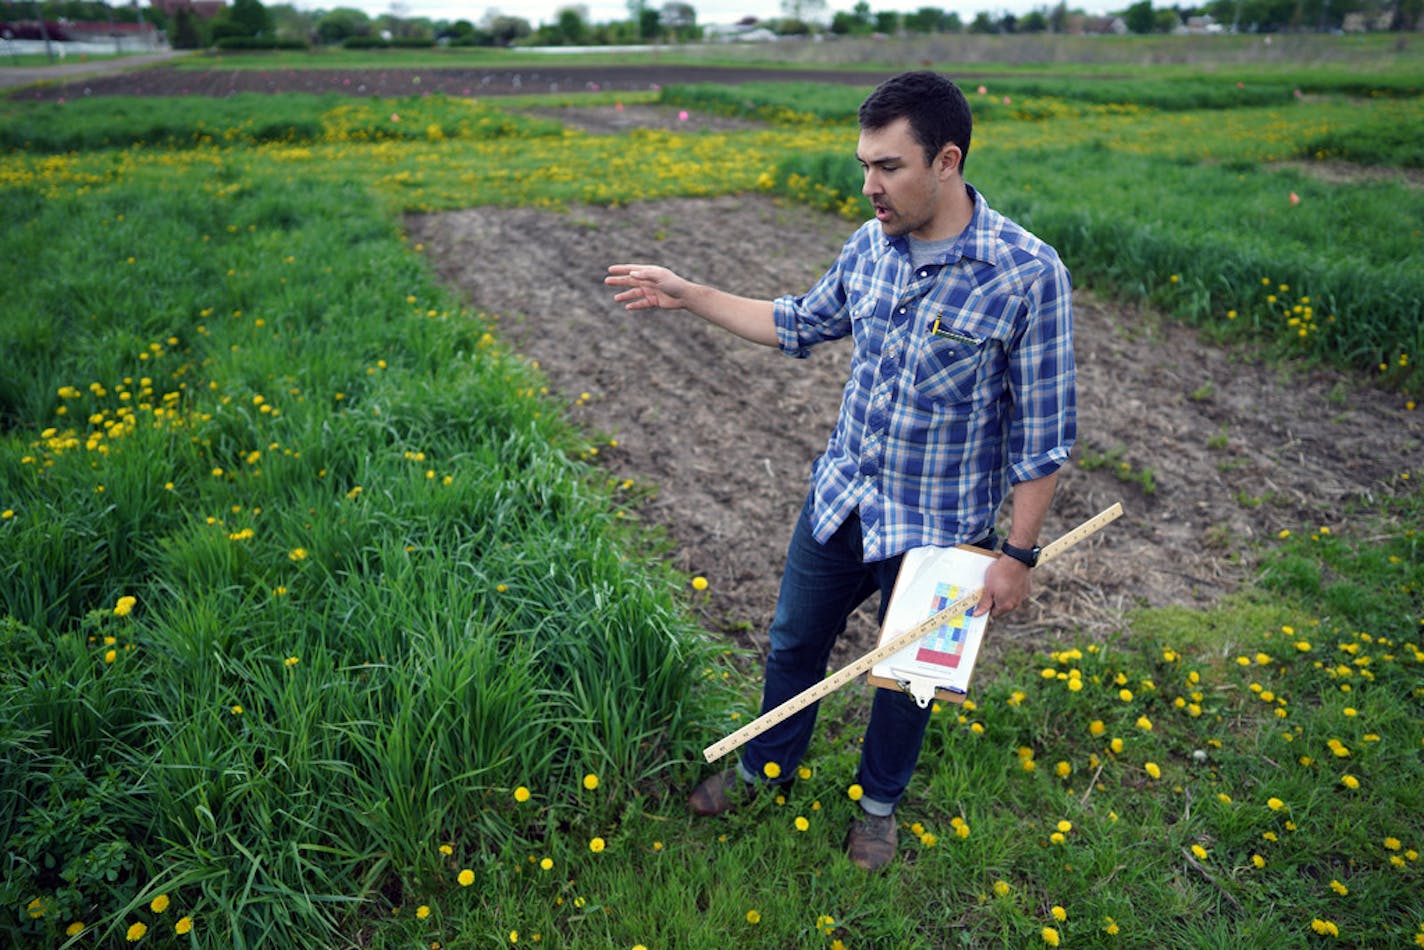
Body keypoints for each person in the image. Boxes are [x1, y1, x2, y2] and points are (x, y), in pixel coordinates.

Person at [605, 70, 1076, 872]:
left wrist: (1017, 557)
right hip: (843, 499)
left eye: (888, 167)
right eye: (864, 164)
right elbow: (797, 322)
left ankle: (879, 807)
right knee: (792, 643)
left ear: (948, 161)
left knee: (908, 681)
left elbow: (1044, 433)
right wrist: (689, 294)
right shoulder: (869, 247)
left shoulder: (1027, 274)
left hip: (941, 529)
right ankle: (766, 770)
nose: (869, 186)